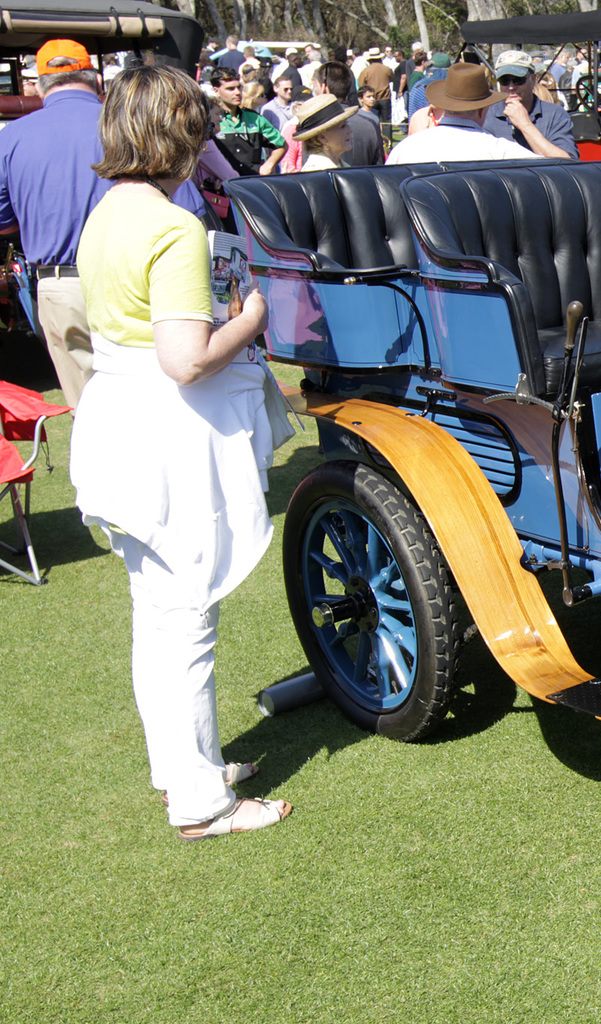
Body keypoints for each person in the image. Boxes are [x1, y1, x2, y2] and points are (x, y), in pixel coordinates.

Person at [71, 63, 291, 841]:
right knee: (186, 617)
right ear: (183, 134)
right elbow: (186, 358)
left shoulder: (107, 213)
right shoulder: (173, 226)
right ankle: (201, 801)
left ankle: (186, 771)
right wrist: (254, 315)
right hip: (165, 434)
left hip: (121, 423)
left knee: (160, 618)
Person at [0, 39, 204, 408]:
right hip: (139, 280)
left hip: (61, 285)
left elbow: (3, 223)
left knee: (90, 411)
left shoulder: (10, 137)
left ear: (40, 84)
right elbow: (190, 209)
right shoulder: (134, 125)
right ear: (95, 79)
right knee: (156, 402)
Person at [387, 62, 538, 164]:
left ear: (443, 105)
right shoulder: (503, 151)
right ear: (482, 110)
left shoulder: (405, 149)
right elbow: (557, 173)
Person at [483, 50, 578, 158]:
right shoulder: (487, 115)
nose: (511, 87)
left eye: (518, 80)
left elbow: (567, 162)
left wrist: (525, 125)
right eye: (504, 80)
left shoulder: (555, 114)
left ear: (533, 79)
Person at [209, 66, 284, 175]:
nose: (237, 92)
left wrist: (269, 164)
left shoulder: (254, 118)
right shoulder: (211, 119)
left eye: (239, 87)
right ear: (216, 90)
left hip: (251, 183)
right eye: (230, 89)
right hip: (222, 185)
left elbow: (281, 144)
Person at [313, 61, 381, 166]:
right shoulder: (369, 125)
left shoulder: (315, 128)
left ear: (323, 88)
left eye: (316, 86)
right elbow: (379, 169)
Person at [292, 93, 355, 171]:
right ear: (322, 137)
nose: (350, 130)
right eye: (342, 126)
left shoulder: (343, 167)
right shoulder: (315, 173)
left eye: (346, 124)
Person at [357, 47, 393, 124]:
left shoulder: (366, 71)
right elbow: (392, 79)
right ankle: (388, 136)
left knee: (372, 120)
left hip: (371, 98)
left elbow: (360, 84)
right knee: (386, 121)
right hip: (385, 97)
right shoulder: (387, 69)